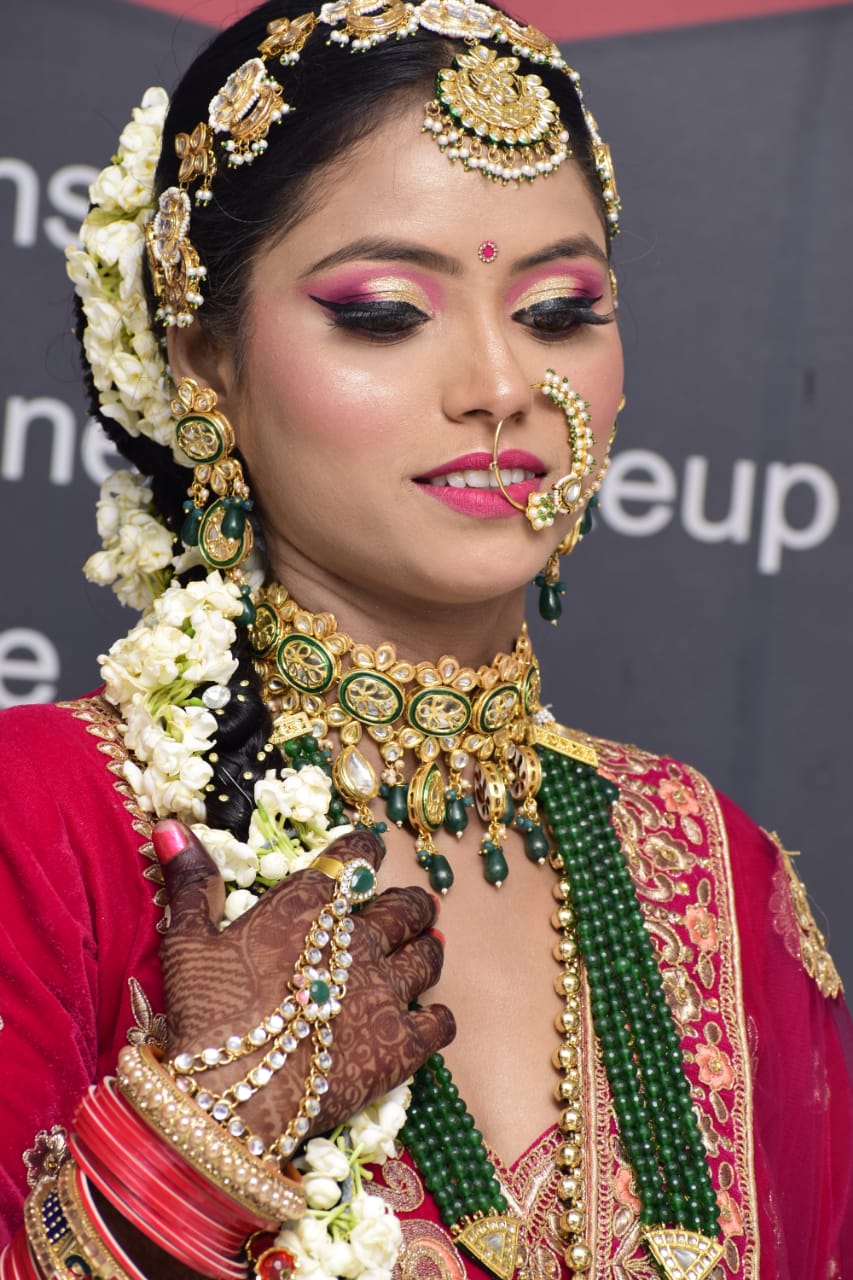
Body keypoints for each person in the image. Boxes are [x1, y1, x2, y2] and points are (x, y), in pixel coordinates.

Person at [1, 2, 851, 1277]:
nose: (501, 385)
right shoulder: (43, 825)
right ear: (206, 364)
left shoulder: (712, 869)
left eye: (559, 310)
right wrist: (186, 1156)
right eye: (386, 313)